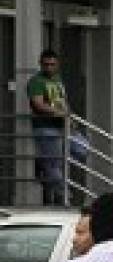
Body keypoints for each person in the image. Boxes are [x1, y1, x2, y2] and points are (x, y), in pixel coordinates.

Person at [26, 49, 70, 205]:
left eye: (52, 64)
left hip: (60, 126)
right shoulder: (36, 81)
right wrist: (56, 112)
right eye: (46, 64)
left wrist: (68, 115)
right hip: (45, 126)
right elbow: (38, 103)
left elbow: (62, 100)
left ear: (57, 64)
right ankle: (60, 197)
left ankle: (42, 168)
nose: (49, 67)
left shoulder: (58, 80)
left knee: (76, 152)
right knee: (53, 163)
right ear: (41, 64)